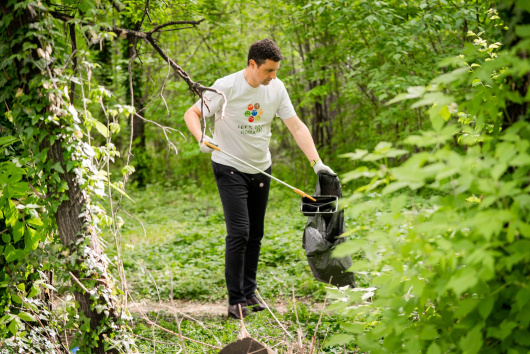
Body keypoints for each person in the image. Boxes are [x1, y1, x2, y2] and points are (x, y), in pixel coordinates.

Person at [184, 39, 335, 319]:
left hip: (262, 168)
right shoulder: (225, 86)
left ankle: (250, 293)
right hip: (229, 167)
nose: (273, 76)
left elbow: (297, 127)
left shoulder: (276, 88)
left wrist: (318, 164)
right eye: (269, 71)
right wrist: (202, 137)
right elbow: (192, 113)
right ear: (252, 64)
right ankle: (235, 300)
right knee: (239, 232)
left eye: (276, 70)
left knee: (256, 233)